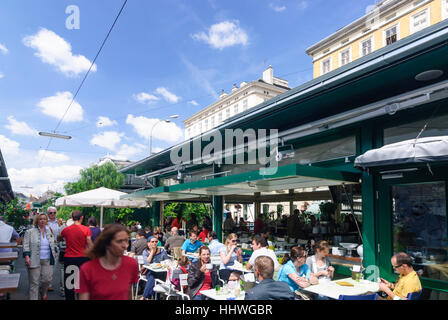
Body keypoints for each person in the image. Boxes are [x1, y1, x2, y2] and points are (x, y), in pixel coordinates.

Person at [76, 223, 139, 300]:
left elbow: (128, 293)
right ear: (107, 243)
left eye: (126, 241)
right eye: (119, 241)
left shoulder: (131, 264)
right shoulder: (86, 269)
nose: (125, 245)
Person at [58, 210, 93, 300]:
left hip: (69, 259)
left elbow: (59, 238)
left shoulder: (66, 230)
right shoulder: (86, 229)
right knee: (81, 285)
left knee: (70, 286)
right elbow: (90, 244)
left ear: (72, 218)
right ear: (82, 218)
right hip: (83, 260)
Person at [23, 213, 57, 300]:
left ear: (46, 221)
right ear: (37, 221)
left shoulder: (49, 231)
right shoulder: (29, 232)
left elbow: (53, 242)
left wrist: (54, 250)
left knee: (47, 280)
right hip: (34, 259)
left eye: (44, 219)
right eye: (40, 219)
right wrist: (27, 257)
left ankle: (43, 293)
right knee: (34, 282)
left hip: (48, 259)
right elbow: (25, 245)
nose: (42, 221)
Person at [141, 236, 170, 300]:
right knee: (153, 277)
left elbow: (167, 260)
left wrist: (165, 264)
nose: (154, 243)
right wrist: (152, 252)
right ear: (148, 243)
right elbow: (147, 263)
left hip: (162, 272)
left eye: (156, 241)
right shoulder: (145, 252)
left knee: (154, 278)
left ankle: (144, 297)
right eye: (152, 242)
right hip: (150, 271)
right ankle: (149, 296)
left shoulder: (162, 251)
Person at [46, 207, 60, 292]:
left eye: (54, 213)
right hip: (45, 246)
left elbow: (60, 234)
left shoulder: (58, 222)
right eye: (51, 213)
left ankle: (49, 283)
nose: (52, 214)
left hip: (55, 246)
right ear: (48, 213)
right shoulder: (44, 221)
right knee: (45, 265)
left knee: (52, 266)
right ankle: (45, 282)